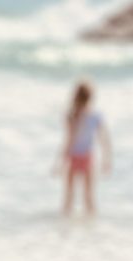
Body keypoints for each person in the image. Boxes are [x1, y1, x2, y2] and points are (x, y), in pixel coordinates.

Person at [58, 80, 111, 216]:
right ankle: (93, 229)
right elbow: (104, 140)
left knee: (68, 197)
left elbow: (69, 140)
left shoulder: (71, 116)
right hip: (87, 157)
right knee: (89, 197)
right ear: (91, 97)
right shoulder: (96, 116)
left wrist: (61, 161)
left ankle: (63, 230)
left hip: (73, 157)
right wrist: (107, 159)